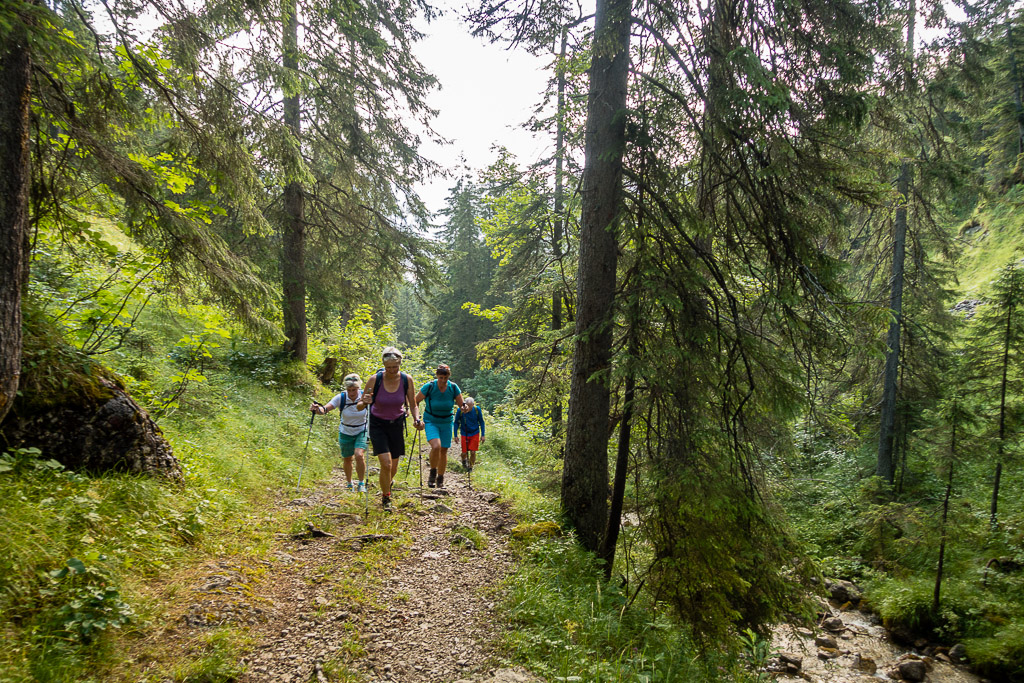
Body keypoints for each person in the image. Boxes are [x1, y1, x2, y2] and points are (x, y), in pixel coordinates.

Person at [363, 347, 423, 508]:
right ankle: (386, 498)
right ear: (383, 365)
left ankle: (386, 484)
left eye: (395, 367)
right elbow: (360, 405)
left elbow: (413, 403)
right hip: (377, 424)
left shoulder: (406, 379)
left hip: (396, 424)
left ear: (399, 364)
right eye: (388, 367)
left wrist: (417, 419)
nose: (391, 370)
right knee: (386, 463)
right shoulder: (374, 379)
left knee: (393, 466)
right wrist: (365, 401)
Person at [310, 373, 368, 492]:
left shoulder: (364, 396)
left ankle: (361, 483)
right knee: (347, 458)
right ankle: (349, 483)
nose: (351, 392)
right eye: (349, 389)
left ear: (359, 388)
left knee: (359, 455)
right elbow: (325, 409)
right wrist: (317, 410)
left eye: (354, 389)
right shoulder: (341, 397)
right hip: (345, 431)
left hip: (362, 430)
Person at [415, 364, 464, 488]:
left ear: (448, 377)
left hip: (447, 422)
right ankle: (432, 472)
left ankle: (440, 478)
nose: (442, 380)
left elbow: (461, 404)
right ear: (437, 376)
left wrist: (465, 408)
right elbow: (415, 401)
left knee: (444, 450)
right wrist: (417, 417)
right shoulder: (429, 387)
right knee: (436, 446)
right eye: (440, 377)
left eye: (445, 378)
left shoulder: (453, 388)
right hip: (431, 420)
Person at [454, 397, 485, 472]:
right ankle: (464, 460)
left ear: (473, 405)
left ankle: (470, 467)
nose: (468, 408)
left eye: (470, 406)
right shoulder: (460, 410)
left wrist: (483, 434)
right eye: (467, 406)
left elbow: (481, 422)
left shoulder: (477, 410)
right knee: (464, 453)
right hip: (464, 433)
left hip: (475, 432)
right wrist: (455, 435)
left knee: (473, 452)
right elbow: (456, 422)